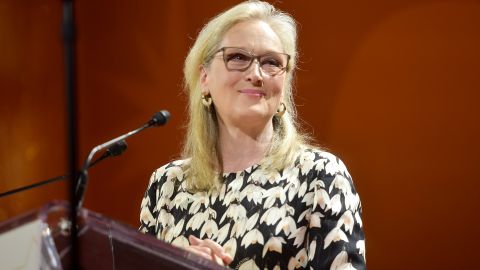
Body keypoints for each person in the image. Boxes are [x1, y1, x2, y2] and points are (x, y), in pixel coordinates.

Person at [139, 1, 366, 269]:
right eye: (238, 58)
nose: (256, 74)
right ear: (204, 78)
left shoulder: (321, 177)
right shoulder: (166, 186)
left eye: (271, 63)